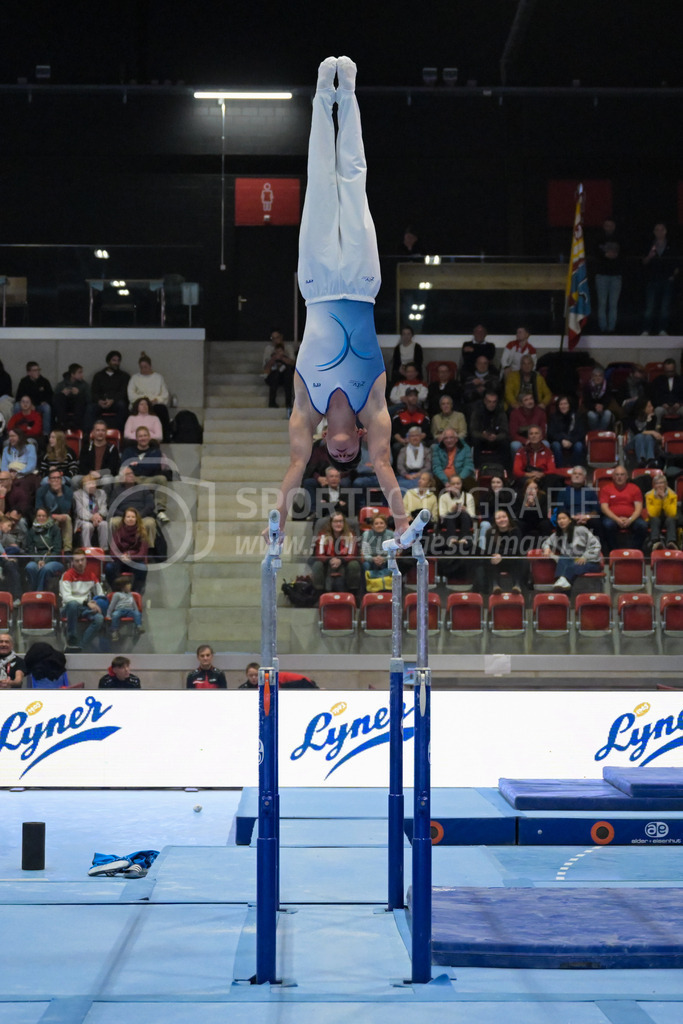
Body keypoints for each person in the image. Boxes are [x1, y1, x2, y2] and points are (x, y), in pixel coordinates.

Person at [271, 57, 409, 539]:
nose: (345, 457)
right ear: (363, 441)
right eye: (353, 457)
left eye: (338, 456)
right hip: (361, 284)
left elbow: (293, 468)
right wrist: (402, 525)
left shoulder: (305, 410)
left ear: (327, 440)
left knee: (319, 183)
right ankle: (347, 92)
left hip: (317, 285)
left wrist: (276, 524)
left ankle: (321, 95)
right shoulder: (375, 407)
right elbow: (386, 469)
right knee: (353, 180)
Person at [60, 549, 106, 651]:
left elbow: (100, 594)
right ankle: (72, 639)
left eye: (82, 560)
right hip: (69, 609)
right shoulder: (67, 575)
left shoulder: (91, 575)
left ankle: (81, 646)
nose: (80, 563)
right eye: (77, 561)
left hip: (85, 608)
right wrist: (86, 602)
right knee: (72, 604)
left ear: (86, 561)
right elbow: (67, 598)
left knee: (99, 619)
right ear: (72, 562)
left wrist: (97, 603)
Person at [542, 511, 602, 588]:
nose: (561, 521)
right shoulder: (557, 535)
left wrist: (585, 556)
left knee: (571, 565)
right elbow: (546, 542)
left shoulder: (581, 530)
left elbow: (596, 545)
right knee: (563, 558)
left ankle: (563, 579)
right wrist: (546, 548)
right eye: (559, 519)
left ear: (570, 520)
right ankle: (563, 580)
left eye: (564, 518)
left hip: (589, 561)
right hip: (572, 560)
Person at [310, 512, 362, 595]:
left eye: (340, 521)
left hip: (345, 562)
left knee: (354, 564)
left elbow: (352, 554)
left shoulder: (350, 535)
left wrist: (341, 560)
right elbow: (319, 554)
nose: (338, 524)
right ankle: (318, 594)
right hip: (327, 562)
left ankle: (353, 593)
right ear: (331, 523)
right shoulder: (323, 535)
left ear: (344, 523)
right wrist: (330, 560)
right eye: (335, 521)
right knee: (317, 565)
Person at [599, 464, 647, 553]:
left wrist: (630, 520)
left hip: (632, 518)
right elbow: (604, 508)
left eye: (622, 475)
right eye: (617, 475)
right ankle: (614, 551)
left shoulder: (635, 488)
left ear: (627, 476)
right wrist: (617, 519)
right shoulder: (606, 489)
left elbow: (639, 508)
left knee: (642, 525)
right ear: (613, 477)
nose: (619, 477)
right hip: (612, 518)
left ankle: (634, 551)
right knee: (607, 525)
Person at [641, 222, 679, 336]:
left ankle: (662, 329)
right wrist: (649, 256)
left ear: (665, 231)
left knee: (665, 307)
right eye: (657, 230)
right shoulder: (650, 245)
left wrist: (674, 275)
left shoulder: (671, 245)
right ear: (654, 232)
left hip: (667, 280)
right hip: (652, 279)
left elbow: (677, 263)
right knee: (650, 307)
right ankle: (646, 329)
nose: (659, 232)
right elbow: (643, 262)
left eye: (662, 229)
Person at [479, 508, 523, 594]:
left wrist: (501, 555)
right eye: (498, 518)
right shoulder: (490, 532)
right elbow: (490, 550)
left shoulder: (515, 530)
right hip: (497, 561)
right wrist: (498, 556)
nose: (502, 519)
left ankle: (517, 585)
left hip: (511, 560)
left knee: (520, 560)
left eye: (504, 517)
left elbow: (516, 549)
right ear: (495, 521)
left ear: (508, 518)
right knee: (490, 560)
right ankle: (495, 586)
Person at [127, 353, 170, 440]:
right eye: (141, 367)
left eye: (145, 367)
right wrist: (142, 401)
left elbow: (165, 394)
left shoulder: (158, 378)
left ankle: (165, 437)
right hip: (139, 403)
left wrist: (156, 400)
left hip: (153, 404)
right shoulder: (135, 378)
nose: (143, 369)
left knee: (162, 409)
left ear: (150, 366)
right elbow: (131, 393)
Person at [87, 349, 130, 433]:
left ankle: (119, 433)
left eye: (118, 361)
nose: (116, 363)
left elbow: (123, 392)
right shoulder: (99, 376)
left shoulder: (124, 376)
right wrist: (99, 401)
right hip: (101, 403)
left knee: (122, 406)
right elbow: (94, 392)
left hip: (115, 402)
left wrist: (113, 400)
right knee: (90, 408)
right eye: (114, 360)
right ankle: (89, 434)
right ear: (108, 361)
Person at [106, 507, 149, 593]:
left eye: (133, 517)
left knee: (142, 567)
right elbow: (112, 551)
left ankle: (136, 591)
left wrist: (130, 556)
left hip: (135, 560)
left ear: (136, 519)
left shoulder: (142, 533)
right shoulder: (118, 532)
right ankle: (116, 590)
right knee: (109, 567)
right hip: (121, 560)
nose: (130, 519)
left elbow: (142, 553)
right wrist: (121, 557)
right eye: (128, 517)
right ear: (124, 519)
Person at [75, 420, 121, 493]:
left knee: (107, 480)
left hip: (104, 476)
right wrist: (90, 473)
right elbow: (82, 465)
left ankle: (104, 503)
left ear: (106, 432)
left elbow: (113, 468)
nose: (100, 433)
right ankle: (79, 502)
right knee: (75, 480)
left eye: (103, 430)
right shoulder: (86, 448)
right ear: (93, 432)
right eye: (98, 430)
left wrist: (100, 473)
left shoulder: (112, 448)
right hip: (88, 475)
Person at [594, 218, 623, 333]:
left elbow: (625, 253)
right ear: (604, 227)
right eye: (607, 225)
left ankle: (611, 328)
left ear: (614, 227)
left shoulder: (620, 239)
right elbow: (594, 252)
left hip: (616, 275)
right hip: (602, 275)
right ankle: (602, 328)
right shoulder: (598, 239)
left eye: (611, 225)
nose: (609, 228)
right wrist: (605, 254)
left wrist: (614, 255)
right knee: (602, 303)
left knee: (613, 303)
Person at [35, 469, 73, 553]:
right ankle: (53, 548)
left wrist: (59, 493)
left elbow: (66, 509)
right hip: (46, 517)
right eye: (53, 478)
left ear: (61, 479)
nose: (56, 480)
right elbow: (39, 509)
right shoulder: (41, 491)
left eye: (58, 478)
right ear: (49, 480)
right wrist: (53, 516)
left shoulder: (67, 491)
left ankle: (67, 550)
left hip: (62, 517)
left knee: (67, 518)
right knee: (52, 521)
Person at [547, 396, 587, 468]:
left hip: (574, 440)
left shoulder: (577, 416)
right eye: (561, 404)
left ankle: (575, 468)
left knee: (579, 446)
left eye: (565, 404)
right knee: (556, 446)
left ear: (569, 405)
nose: (563, 406)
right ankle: (560, 469)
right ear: (558, 406)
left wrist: (571, 441)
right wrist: (562, 440)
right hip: (559, 441)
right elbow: (551, 433)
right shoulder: (553, 417)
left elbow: (581, 432)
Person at [14, 362, 52, 434]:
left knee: (47, 408)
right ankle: (17, 431)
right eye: (34, 370)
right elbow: (19, 396)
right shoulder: (24, 382)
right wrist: (29, 404)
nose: (37, 372)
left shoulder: (44, 381)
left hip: (39, 405)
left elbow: (50, 395)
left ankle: (46, 434)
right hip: (26, 404)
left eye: (38, 370)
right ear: (29, 372)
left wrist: (45, 401)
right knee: (16, 406)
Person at [73, 474, 109, 548]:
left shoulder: (102, 493)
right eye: (88, 484)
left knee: (104, 524)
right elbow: (80, 511)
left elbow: (104, 508)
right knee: (88, 526)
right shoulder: (77, 494)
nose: (92, 486)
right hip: (83, 519)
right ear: (83, 486)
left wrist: (99, 516)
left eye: (93, 483)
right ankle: (87, 550)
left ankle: (104, 550)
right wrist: (92, 517)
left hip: (99, 518)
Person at [625, 397, 663, 467]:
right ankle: (641, 461)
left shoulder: (653, 418)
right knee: (639, 437)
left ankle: (650, 460)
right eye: (649, 406)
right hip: (633, 443)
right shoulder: (632, 419)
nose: (652, 408)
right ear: (642, 408)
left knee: (649, 437)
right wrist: (652, 432)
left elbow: (651, 434)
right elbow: (637, 432)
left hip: (648, 443)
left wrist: (649, 422)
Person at [645, 473, 678, 550]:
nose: (659, 485)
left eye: (662, 483)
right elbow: (652, 514)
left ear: (666, 484)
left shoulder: (673, 495)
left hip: (667, 518)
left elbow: (672, 513)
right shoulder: (649, 495)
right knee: (655, 519)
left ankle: (671, 543)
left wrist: (665, 499)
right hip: (654, 519)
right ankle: (655, 543)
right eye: (657, 483)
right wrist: (659, 500)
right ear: (653, 485)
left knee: (671, 519)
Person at [52, 363, 89, 430]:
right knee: (59, 397)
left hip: (78, 407)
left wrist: (79, 393)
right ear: (72, 374)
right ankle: (62, 423)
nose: (82, 375)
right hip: (65, 406)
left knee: (80, 398)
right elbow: (54, 398)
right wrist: (62, 394)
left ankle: (76, 424)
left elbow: (89, 399)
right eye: (79, 373)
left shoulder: (84, 385)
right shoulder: (61, 384)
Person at [263, 334, 296, 408]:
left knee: (288, 373)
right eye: (273, 338)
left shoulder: (287, 351)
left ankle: (288, 403)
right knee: (275, 374)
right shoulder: (269, 351)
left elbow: (293, 364)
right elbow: (266, 369)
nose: (275, 340)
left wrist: (282, 358)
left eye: (277, 337)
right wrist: (274, 359)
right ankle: (272, 402)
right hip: (273, 376)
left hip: (285, 376)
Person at [396, 425, 432, 492]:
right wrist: (406, 475)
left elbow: (428, 466)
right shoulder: (403, 450)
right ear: (408, 438)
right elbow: (400, 465)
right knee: (399, 484)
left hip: (422, 475)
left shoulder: (427, 451)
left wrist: (418, 474)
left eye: (417, 435)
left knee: (425, 481)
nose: (415, 438)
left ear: (421, 437)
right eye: (412, 436)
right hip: (406, 475)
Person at [108, 576, 144, 640]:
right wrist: (108, 614)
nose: (130, 586)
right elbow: (112, 605)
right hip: (120, 610)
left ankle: (138, 627)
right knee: (115, 615)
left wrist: (137, 612)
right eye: (128, 584)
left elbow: (134, 604)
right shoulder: (117, 594)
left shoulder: (130, 594)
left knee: (137, 614)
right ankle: (115, 631)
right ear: (122, 587)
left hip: (129, 610)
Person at [651, 358, 683, 430]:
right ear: (664, 370)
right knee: (658, 411)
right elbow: (654, 396)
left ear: (675, 369)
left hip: (678, 407)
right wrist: (662, 403)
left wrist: (679, 403)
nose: (669, 374)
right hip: (663, 406)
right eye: (667, 372)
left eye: (671, 372)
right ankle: (657, 432)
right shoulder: (658, 381)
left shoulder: (681, 380)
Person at [361, 512, 394, 582]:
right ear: (372, 526)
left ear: (385, 525)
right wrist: (373, 559)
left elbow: (393, 554)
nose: (379, 525)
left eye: (381, 523)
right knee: (365, 565)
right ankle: (366, 590)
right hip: (371, 560)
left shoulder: (391, 534)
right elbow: (365, 554)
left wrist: (384, 559)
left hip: (386, 560)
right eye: (376, 523)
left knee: (393, 564)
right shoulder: (366, 534)